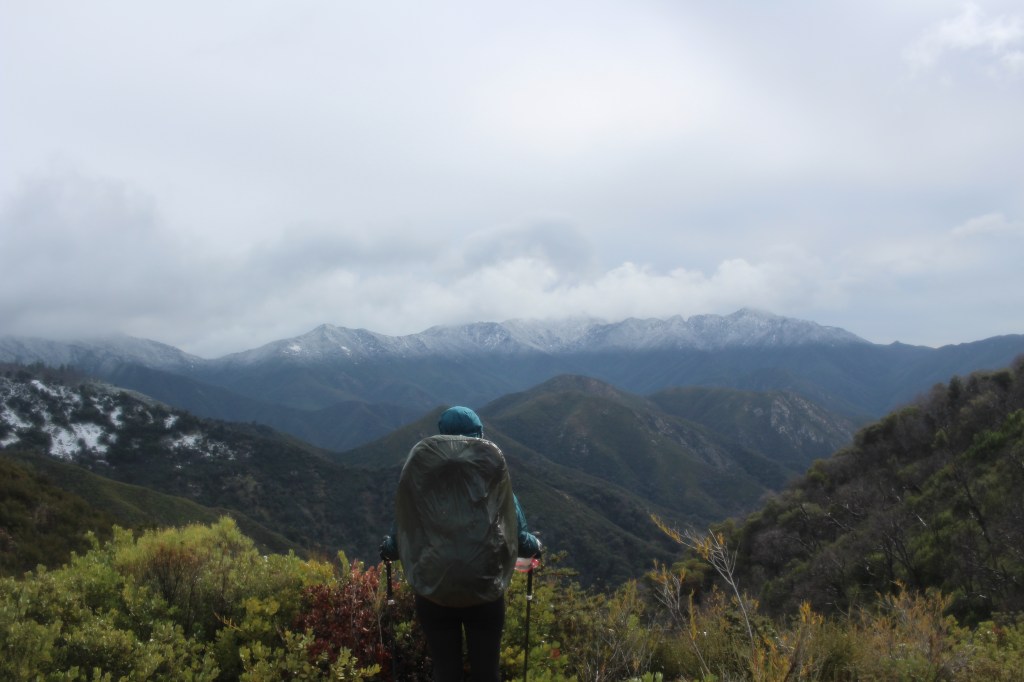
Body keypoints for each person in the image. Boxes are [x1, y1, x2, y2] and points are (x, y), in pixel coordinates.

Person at [380, 406, 541, 682]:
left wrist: (387, 547)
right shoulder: (493, 481)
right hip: (484, 589)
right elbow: (521, 540)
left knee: (445, 671)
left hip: (434, 592)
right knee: (486, 672)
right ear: (478, 435)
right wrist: (535, 543)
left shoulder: (421, 484)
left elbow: (397, 542)